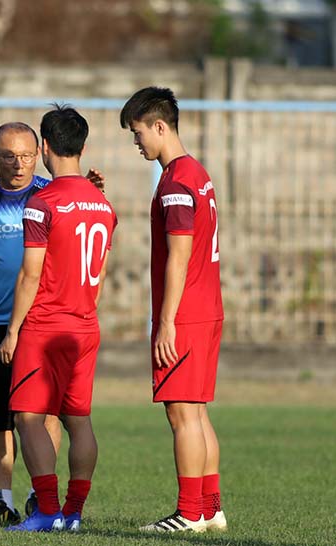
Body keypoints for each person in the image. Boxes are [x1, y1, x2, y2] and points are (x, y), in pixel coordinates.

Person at [0, 121, 104, 525]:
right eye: (9, 155)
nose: (19, 164)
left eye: (28, 155)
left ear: (40, 152)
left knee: (44, 415)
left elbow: (75, 221)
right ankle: (2, 500)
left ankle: (38, 496)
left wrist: (89, 187)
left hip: (39, 322)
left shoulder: (49, 194)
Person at [0, 104, 117, 533]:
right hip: (85, 324)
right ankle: (74, 513)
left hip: (45, 326)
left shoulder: (41, 203)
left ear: (44, 147)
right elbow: (100, 271)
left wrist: (13, 329)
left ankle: (47, 510)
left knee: (28, 416)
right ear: (82, 147)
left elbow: (31, 273)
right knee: (78, 419)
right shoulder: (104, 205)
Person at [119, 87, 226, 533]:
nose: (137, 142)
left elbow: (178, 255)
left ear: (159, 126)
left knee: (181, 413)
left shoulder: (177, 182)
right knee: (196, 412)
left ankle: (188, 513)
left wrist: (165, 322)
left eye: (138, 132)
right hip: (207, 307)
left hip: (185, 314)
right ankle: (210, 508)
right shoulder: (195, 172)